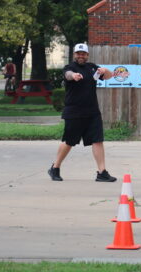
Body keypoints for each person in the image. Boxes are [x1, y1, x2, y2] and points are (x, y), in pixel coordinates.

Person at [48, 43, 116, 182]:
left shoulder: (92, 67)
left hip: (93, 112)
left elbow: (109, 76)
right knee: (69, 141)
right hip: (74, 112)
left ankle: (102, 172)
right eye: (78, 54)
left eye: (83, 54)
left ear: (87, 55)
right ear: (74, 55)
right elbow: (67, 75)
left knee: (97, 140)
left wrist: (105, 70)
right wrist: (74, 76)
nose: (81, 56)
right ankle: (55, 168)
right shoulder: (69, 68)